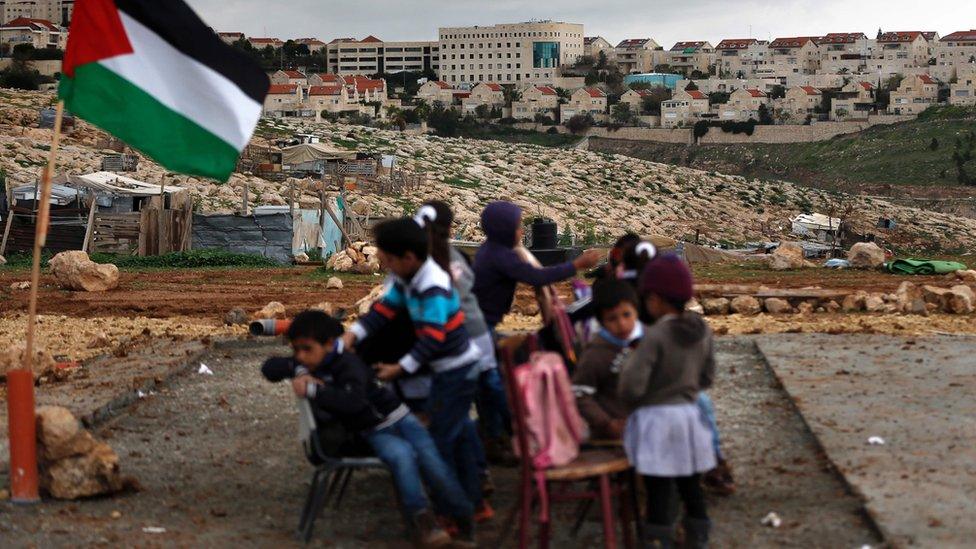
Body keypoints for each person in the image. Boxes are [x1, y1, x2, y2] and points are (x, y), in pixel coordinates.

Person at [261, 310, 474, 547]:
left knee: (434, 464)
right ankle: (423, 524)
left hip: (403, 422)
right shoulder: (309, 364)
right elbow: (269, 367)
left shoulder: (349, 364)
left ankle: (463, 518)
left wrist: (313, 390)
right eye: (296, 350)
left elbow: (353, 401)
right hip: (375, 432)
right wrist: (299, 370)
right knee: (402, 459)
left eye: (306, 349)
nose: (300, 356)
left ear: (330, 344)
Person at [342, 218, 488, 523]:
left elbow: (433, 340)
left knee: (441, 442)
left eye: (390, 260)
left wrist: (400, 368)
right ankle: (474, 503)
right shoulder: (408, 278)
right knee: (457, 434)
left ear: (408, 257)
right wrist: (354, 334)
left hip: (456, 371)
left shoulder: (432, 284)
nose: (387, 266)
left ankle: (452, 512)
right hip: (447, 369)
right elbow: (383, 310)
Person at [618, 254, 716, 548]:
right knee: (690, 484)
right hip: (688, 417)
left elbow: (632, 384)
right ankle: (698, 536)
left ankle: (658, 540)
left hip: (657, 420)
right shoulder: (702, 331)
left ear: (657, 299)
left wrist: (637, 399)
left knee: (658, 486)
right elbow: (707, 376)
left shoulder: (656, 335)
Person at [416, 201, 513, 469]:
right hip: (469, 336)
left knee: (482, 390)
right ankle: (503, 438)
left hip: (458, 339)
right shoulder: (452, 257)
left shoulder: (431, 259)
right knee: (487, 388)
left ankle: (498, 440)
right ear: (449, 227)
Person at [472, 201, 602, 331]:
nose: (522, 231)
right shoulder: (500, 256)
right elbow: (537, 276)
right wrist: (577, 264)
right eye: (518, 226)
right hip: (482, 324)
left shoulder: (489, 249)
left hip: (481, 318)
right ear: (505, 230)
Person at [571, 278, 643, 441]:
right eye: (612, 318)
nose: (622, 324)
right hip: (615, 434)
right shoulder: (595, 354)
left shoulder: (651, 339)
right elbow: (579, 393)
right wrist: (606, 423)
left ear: (636, 310)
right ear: (601, 322)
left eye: (626, 314)